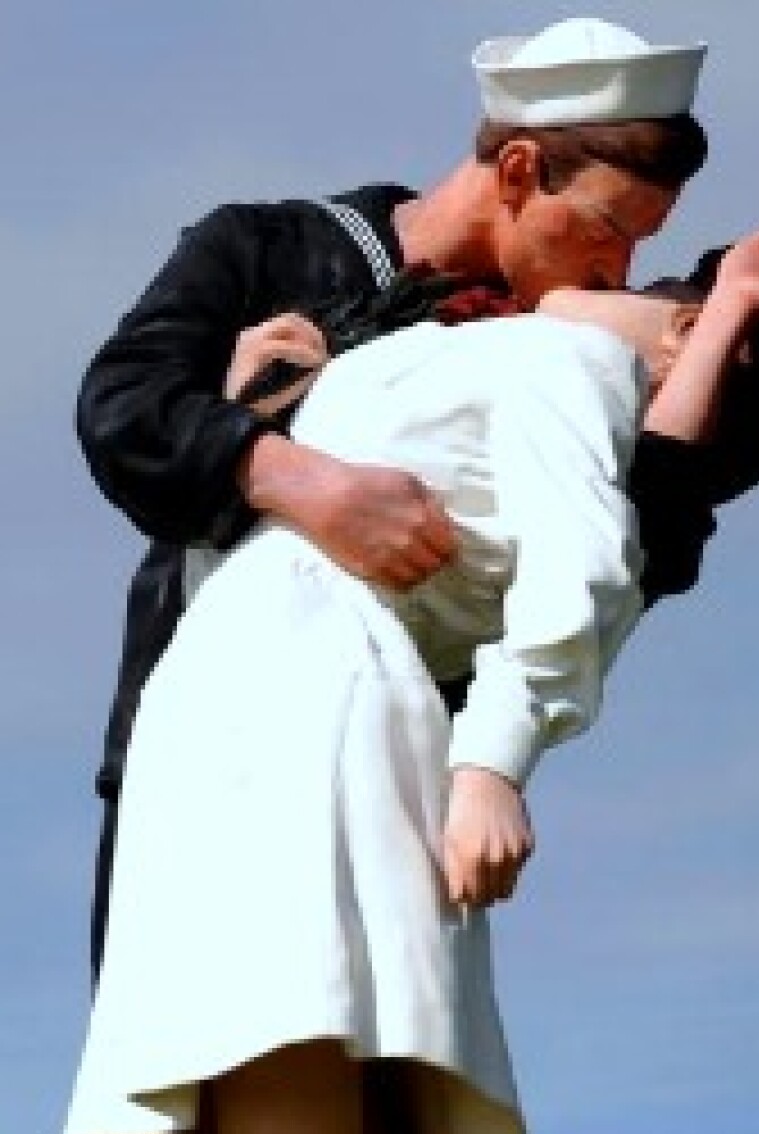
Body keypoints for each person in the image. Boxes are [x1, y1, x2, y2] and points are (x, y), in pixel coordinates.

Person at [63, 229, 759, 1134]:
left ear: (676, 337)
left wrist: (492, 766)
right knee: (307, 1055)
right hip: (269, 692)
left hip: (284, 693)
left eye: (635, 289)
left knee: (304, 1051)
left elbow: (595, 560)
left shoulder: (564, 359)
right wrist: (242, 409)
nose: (590, 282)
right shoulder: (495, 352)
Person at [82, 17, 718, 980]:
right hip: (202, 754)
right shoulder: (264, 248)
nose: (617, 272)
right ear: (515, 171)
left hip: (414, 786)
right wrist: (304, 479)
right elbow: (124, 409)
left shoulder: (563, 346)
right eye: (606, 228)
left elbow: (642, 556)